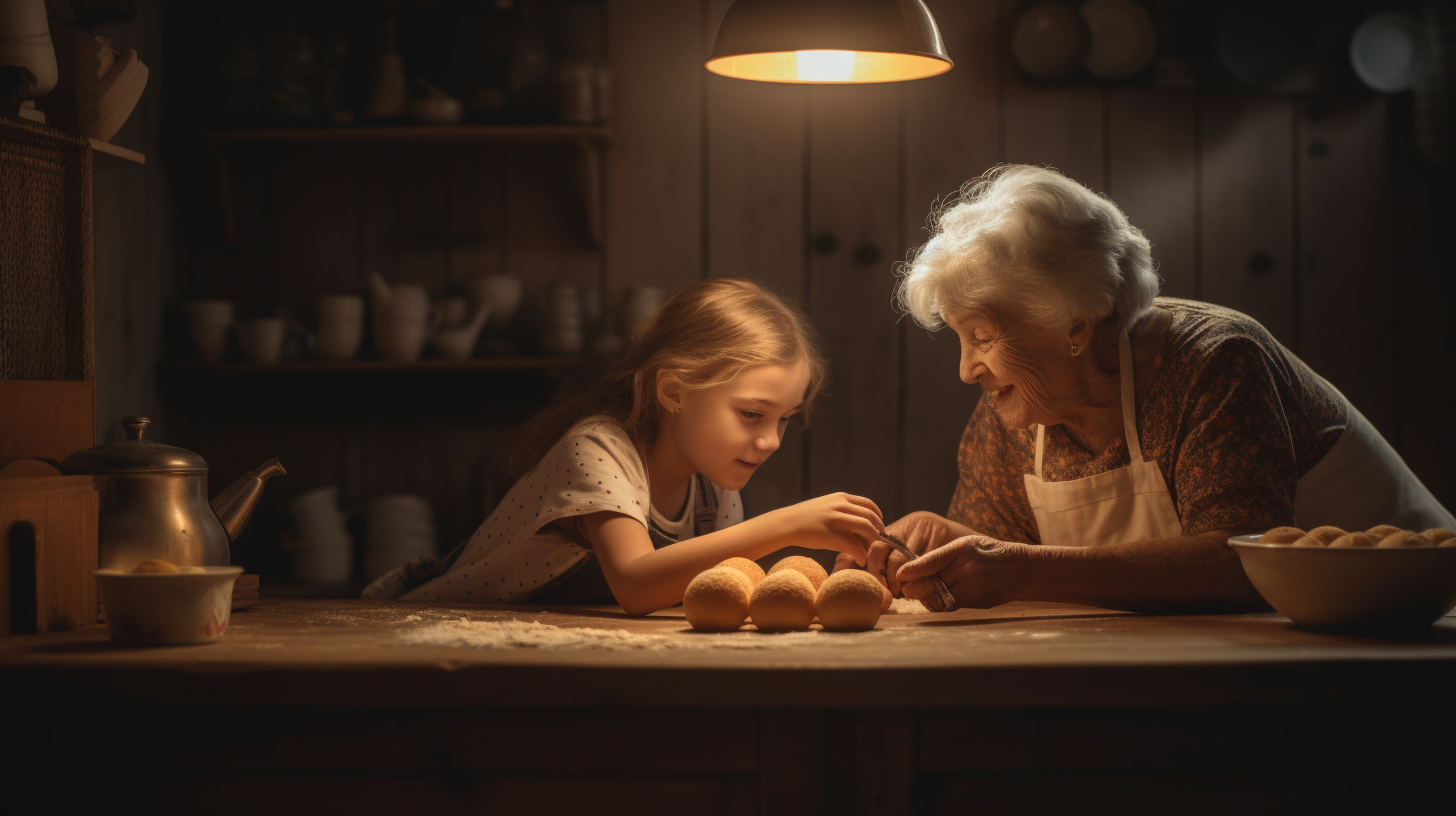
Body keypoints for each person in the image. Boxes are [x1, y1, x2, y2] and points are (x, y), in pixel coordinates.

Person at [848, 164, 1456, 613]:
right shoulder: (1016, 409)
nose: (966, 370)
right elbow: (997, 559)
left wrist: (1020, 569)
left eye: (981, 336)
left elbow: (1239, 560)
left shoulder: (1214, 361)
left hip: (1405, 638)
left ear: (1074, 323)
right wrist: (939, 547)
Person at [364, 277, 880, 614]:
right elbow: (635, 584)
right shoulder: (597, 449)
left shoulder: (715, 481)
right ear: (674, 391)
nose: (769, 441)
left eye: (784, 420)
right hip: (422, 632)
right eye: (751, 415)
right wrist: (788, 526)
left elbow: (704, 596)